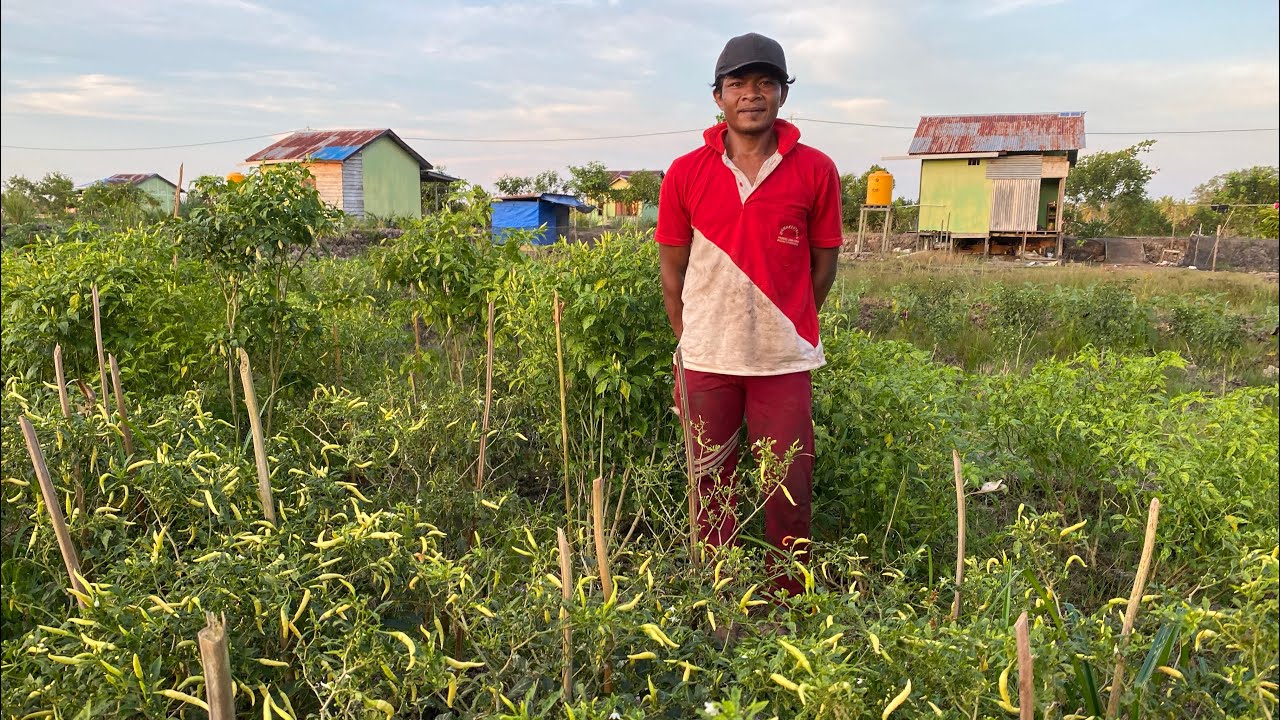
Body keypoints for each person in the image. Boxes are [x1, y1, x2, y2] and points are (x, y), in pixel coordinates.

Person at [656, 32, 843, 598]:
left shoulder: (816, 170)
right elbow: (673, 272)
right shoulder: (684, 172)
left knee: (787, 486)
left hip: (782, 361)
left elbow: (823, 267)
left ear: (783, 95)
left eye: (766, 83)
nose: (752, 94)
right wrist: (693, 343)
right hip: (707, 359)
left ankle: (787, 600)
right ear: (718, 96)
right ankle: (719, 600)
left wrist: (784, 323)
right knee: (710, 485)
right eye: (738, 83)